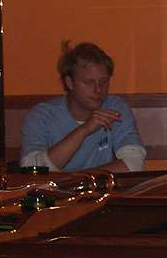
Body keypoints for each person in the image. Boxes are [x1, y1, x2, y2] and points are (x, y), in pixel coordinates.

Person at [19, 41, 146, 173]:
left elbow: (135, 164)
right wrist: (84, 130)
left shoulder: (115, 108)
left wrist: (77, 180)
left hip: (93, 186)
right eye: (89, 82)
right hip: (60, 188)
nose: (98, 89)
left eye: (103, 81)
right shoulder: (42, 115)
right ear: (69, 83)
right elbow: (32, 170)